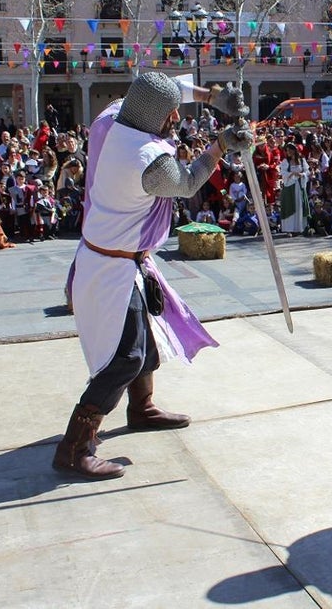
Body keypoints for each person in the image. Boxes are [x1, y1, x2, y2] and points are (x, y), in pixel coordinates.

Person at [55, 72, 252, 480]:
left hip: (119, 257)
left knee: (144, 345)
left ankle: (141, 409)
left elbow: (161, 89)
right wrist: (220, 145)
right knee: (124, 357)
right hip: (112, 267)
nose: (178, 114)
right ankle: (74, 447)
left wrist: (213, 98)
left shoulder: (111, 119)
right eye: (173, 113)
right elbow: (188, 181)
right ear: (154, 115)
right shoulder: (147, 159)